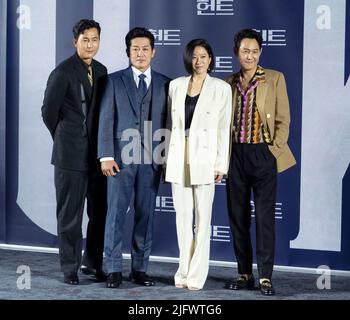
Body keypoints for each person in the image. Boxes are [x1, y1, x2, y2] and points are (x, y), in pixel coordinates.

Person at [224, 29, 296, 295]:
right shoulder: (228, 82)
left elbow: (283, 119)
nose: (250, 56)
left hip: (263, 154)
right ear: (237, 52)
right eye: (245, 51)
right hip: (236, 156)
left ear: (260, 52)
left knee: (265, 218)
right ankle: (244, 273)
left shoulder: (275, 79)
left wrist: (273, 151)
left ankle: (265, 275)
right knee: (238, 217)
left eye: (255, 51)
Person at [98, 27, 170, 289]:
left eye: (145, 49)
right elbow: (106, 120)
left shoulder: (165, 83)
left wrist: (166, 159)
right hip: (120, 159)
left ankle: (140, 268)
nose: (140, 54)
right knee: (115, 214)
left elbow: (170, 123)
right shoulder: (114, 81)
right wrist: (106, 156)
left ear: (154, 52)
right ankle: (113, 268)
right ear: (128, 52)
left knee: (146, 215)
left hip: (152, 158)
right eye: (135, 49)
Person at [41, 19, 108, 285]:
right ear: (75, 41)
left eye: (94, 39)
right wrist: (65, 138)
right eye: (85, 40)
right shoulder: (63, 72)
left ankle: (93, 263)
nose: (90, 44)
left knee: (99, 212)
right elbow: (49, 113)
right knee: (70, 216)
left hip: (98, 156)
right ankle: (70, 268)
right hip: (70, 156)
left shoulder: (102, 70)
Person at [165, 39, 232, 290]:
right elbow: (170, 125)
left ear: (211, 59)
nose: (199, 61)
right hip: (178, 154)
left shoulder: (221, 88)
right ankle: (183, 270)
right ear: (188, 59)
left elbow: (224, 129)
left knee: (203, 220)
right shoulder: (176, 86)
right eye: (194, 56)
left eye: (204, 56)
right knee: (182, 218)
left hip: (206, 157)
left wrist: (220, 164)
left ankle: (196, 275)